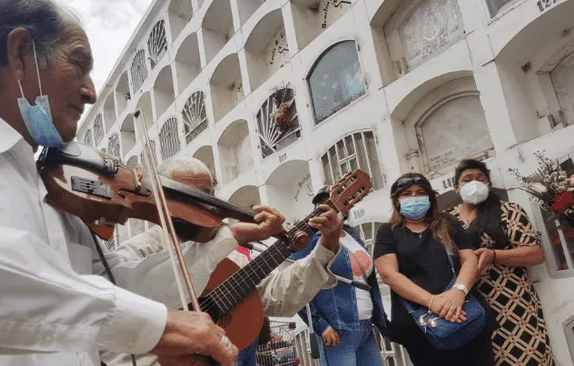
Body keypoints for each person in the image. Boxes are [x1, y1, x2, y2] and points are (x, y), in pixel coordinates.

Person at [0, 0, 279, 365]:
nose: (91, 91)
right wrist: (158, 327)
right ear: (20, 55)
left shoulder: (54, 188)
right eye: (78, 64)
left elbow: (110, 289)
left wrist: (221, 241)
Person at [102, 157, 343, 366]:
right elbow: (106, 317)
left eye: (206, 197)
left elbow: (275, 296)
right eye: (185, 196)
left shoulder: (229, 246)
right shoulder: (141, 250)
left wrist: (326, 247)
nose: (199, 206)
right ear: (162, 199)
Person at [373, 174, 495, 366]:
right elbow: (389, 274)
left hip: (464, 313)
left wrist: (458, 292)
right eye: (407, 193)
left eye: (421, 193)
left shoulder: (447, 223)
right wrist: (432, 302)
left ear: (430, 197)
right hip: (423, 328)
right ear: (397, 199)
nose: (414, 197)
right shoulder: (387, 232)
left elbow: (469, 258)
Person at [449, 159, 554, 366]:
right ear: (456, 187)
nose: (474, 183)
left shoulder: (508, 211)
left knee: (527, 357)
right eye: (467, 179)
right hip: (468, 307)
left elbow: (536, 254)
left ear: (488, 184)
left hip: (514, 304)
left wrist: (494, 255)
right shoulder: (446, 220)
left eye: (480, 178)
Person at [292, 186, 390, 366]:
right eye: (322, 204)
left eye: (336, 202)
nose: (329, 208)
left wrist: (380, 318)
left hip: (366, 325)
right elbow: (295, 286)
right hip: (337, 328)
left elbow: (368, 280)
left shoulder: (353, 234)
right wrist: (319, 323)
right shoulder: (309, 240)